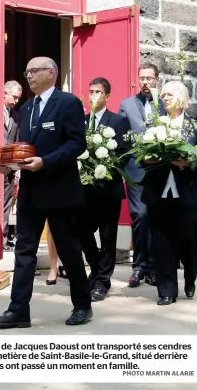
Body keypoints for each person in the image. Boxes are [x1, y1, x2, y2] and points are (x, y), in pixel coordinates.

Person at [0, 56, 92, 327]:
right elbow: (25, 147)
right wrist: (9, 164)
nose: (29, 76)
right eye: (27, 71)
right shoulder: (27, 107)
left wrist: (46, 161)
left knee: (69, 250)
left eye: (34, 71)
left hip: (60, 191)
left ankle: (82, 305)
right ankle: (18, 311)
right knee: (24, 252)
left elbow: (77, 144)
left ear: (51, 73)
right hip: (31, 192)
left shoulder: (68, 103)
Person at [141, 81, 197, 305]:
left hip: (186, 193)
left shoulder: (194, 126)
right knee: (161, 243)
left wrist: (188, 162)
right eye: (163, 95)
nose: (165, 98)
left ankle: (190, 277)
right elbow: (141, 156)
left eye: (169, 94)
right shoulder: (154, 124)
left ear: (181, 97)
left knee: (188, 242)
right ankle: (167, 291)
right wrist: (148, 158)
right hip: (158, 191)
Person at [79, 78, 131, 302]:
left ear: (107, 96)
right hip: (85, 191)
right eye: (91, 92)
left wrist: (108, 166)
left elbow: (125, 152)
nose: (94, 96)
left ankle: (102, 282)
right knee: (82, 232)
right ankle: (97, 268)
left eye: (98, 92)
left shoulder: (119, 121)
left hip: (109, 189)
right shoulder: (80, 121)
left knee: (107, 237)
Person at [118, 63, 166, 288]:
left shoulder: (166, 105)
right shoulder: (127, 105)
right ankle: (139, 267)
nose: (145, 82)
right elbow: (121, 138)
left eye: (150, 78)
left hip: (161, 172)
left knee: (155, 219)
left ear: (157, 79)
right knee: (140, 217)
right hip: (136, 171)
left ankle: (153, 267)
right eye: (142, 78)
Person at [3, 80, 22, 249]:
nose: (16, 101)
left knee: (6, 204)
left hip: (9, 168)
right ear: (4, 93)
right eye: (14, 97)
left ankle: (2, 240)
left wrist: (16, 168)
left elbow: (16, 142)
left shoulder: (16, 115)